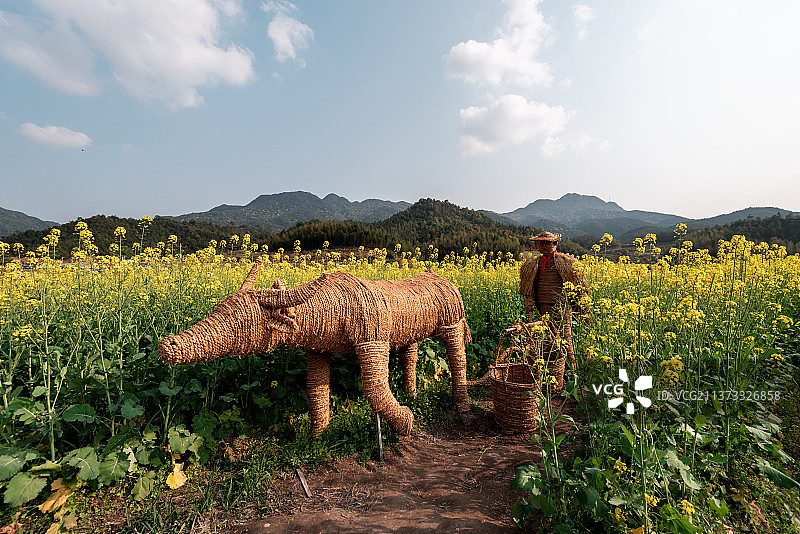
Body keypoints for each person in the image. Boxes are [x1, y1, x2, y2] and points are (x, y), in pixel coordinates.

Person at [519, 231, 590, 368]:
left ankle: (571, 366)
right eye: (540, 243)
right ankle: (550, 366)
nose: (543, 246)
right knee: (547, 335)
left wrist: (582, 305)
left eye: (547, 243)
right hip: (542, 305)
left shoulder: (567, 263)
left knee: (565, 336)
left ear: (555, 244)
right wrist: (530, 302)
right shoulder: (531, 265)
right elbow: (528, 287)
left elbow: (579, 287)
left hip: (562, 305)